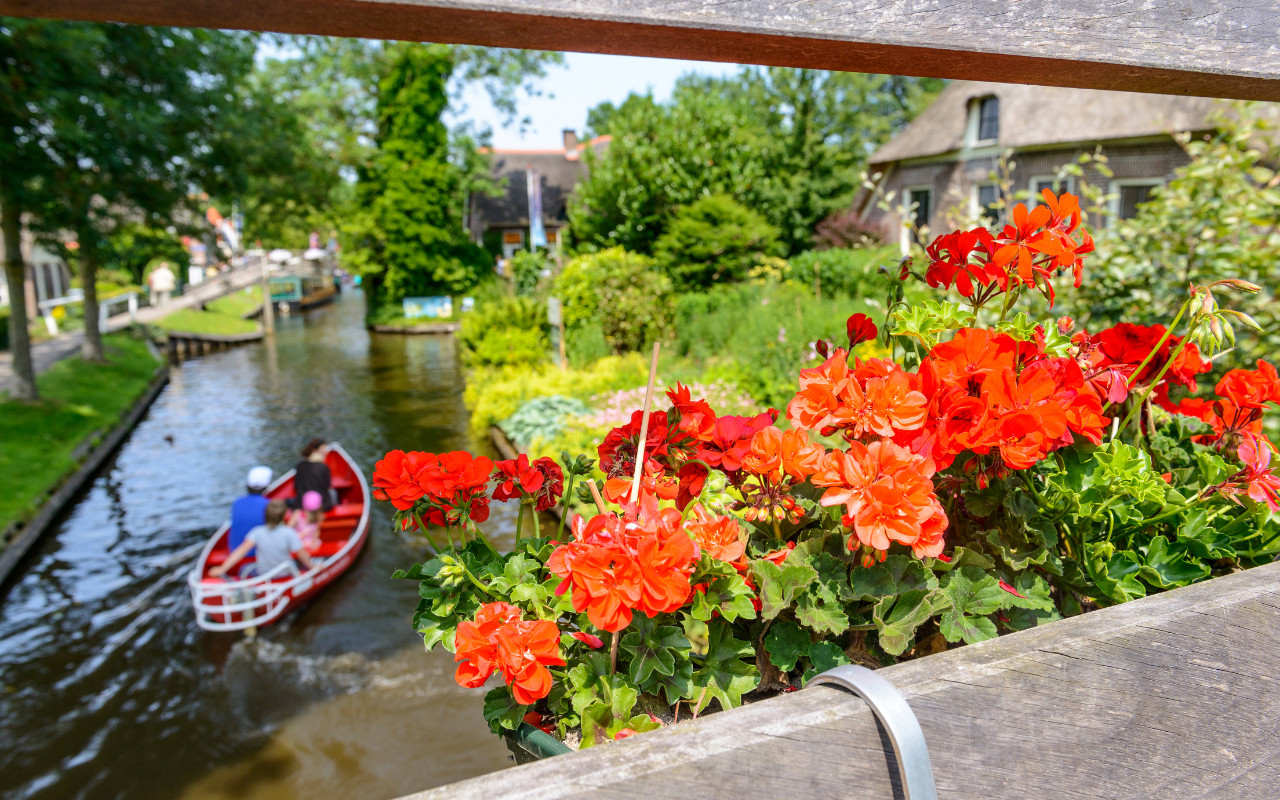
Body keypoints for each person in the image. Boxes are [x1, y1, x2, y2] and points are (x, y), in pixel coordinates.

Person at [211, 500, 314, 579]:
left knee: (244, 568)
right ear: (283, 516)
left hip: (264, 573)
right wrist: (312, 566)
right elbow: (302, 554)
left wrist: (222, 569)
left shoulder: (257, 532)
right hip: (284, 572)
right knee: (298, 563)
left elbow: (241, 551)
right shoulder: (289, 533)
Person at [228, 466, 273, 558]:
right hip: (256, 552)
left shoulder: (237, 502)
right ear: (267, 485)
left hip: (234, 549)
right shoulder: (269, 505)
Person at [289, 437, 334, 511]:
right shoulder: (323, 467)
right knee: (333, 493)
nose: (326, 451)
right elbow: (327, 485)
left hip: (301, 504)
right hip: (321, 505)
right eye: (323, 449)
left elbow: (296, 486)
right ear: (315, 450)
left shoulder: (300, 465)